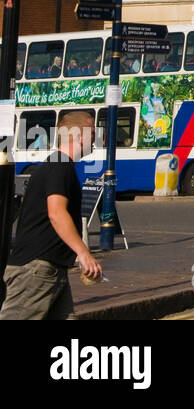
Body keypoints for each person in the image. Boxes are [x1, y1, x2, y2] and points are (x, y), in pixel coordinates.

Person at [1, 111, 102, 320]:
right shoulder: (59, 165)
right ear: (78, 134)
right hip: (36, 270)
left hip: (51, 270)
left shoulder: (60, 165)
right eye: (92, 132)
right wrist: (83, 253)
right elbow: (56, 213)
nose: (96, 138)